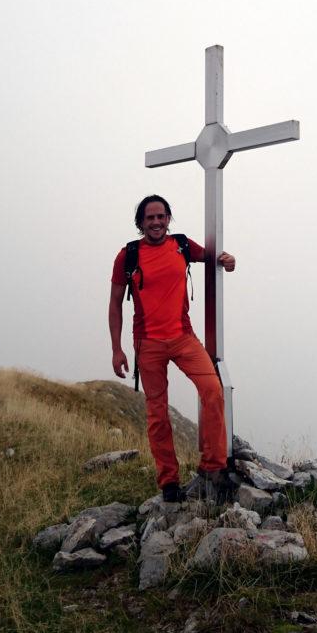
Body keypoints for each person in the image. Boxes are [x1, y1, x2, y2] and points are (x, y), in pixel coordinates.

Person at [109, 194, 236, 502]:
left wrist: (226, 259)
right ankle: (169, 483)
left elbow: (211, 256)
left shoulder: (181, 245)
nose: (156, 222)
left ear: (168, 219)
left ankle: (213, 469)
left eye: (161, 216)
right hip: (148, 343)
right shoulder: (128, 255)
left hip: (183, 337)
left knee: (213, 391)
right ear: (141, 222)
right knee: (157, 414)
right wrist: (117, 348)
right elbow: (114, 303)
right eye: (150, 217)